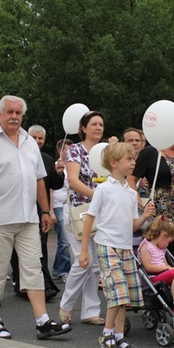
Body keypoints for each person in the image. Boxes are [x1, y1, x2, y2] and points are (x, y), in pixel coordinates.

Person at [0, 95, 71, 340]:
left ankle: (42, 321)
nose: (14, 117)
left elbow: (39, 179)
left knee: (33, 268)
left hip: (28, 219)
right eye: (9, 112)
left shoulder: (29, 142)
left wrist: (45, 211)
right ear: (0, 113)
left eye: (18, 113)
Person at [78, 142, 154, 348]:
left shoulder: (131, 193)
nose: (133, 163)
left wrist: (145, 216)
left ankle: (119, 337)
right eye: (129, 159)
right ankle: (107, 334)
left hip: (125, 248)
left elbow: (132, 226)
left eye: (134, 159)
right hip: (107, 245)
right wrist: (84, 250)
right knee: (117, 293)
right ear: (113, 163)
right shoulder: (102, 189)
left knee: (126, 295)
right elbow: (89, 219)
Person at [129, 120, 174, 271]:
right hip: (163, 215)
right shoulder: (151, 152)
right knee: (173, 256)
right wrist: (140, 205)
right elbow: (131, 179)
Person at [58, 111, 106, 326]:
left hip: (100, 212)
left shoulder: (104, 151)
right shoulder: (75, 150)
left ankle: (90, 311)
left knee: (96, 265)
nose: (98, 128)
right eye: (94, 124)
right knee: (82, 261)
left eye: (101, 124)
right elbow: (74, 181)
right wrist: (98, 196)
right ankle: (66, 306)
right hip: (79, 211)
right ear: (83, 128)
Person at [25, 124, 64, 300]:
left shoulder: (47, 159)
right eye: (34, 137)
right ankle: (23, 285)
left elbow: (54, 185)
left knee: (40, 248)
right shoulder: (19, 155)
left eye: (40, 138)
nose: (37, 141)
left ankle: (44, 284)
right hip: (20, 208)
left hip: (42, 210)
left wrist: (58, 174)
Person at [51, 139, 73, 283]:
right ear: (60, 151)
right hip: (58, 205)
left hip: (71, 206)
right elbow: (50, 188)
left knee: (67, 240)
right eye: (67, 149)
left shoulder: (73, 166)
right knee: (64, 239)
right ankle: (63, 270)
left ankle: (58, 269)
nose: (70, 152)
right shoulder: (54, 166)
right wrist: (50, 210)